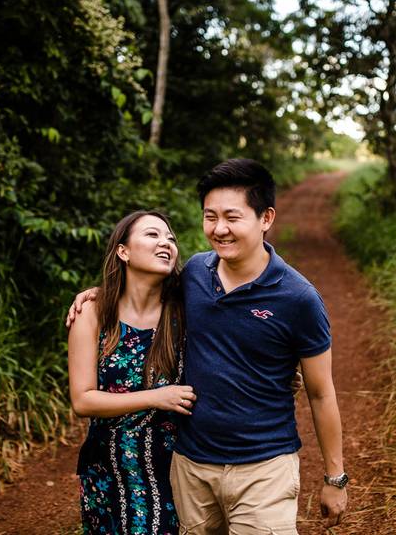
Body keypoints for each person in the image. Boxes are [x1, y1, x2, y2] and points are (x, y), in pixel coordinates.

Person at [68, 159, 348, 533]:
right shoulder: (195, 275)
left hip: (263, 466)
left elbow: (320, 392)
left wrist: (335, 478)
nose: (219, 229)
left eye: (232, 217)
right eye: (209, 217)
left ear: (265, 218)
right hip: (191, 466)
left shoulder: (298, 298)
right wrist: (99, 293)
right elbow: (144, 289)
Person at [68, 211, 197, 534]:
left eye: (170, 238)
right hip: (107, 464)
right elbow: (83, 400)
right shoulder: (95, 313)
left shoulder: (186, 309)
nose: (166, 243)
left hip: (171, 463)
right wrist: (157, 397)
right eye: (153, 235)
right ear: (123, 252)